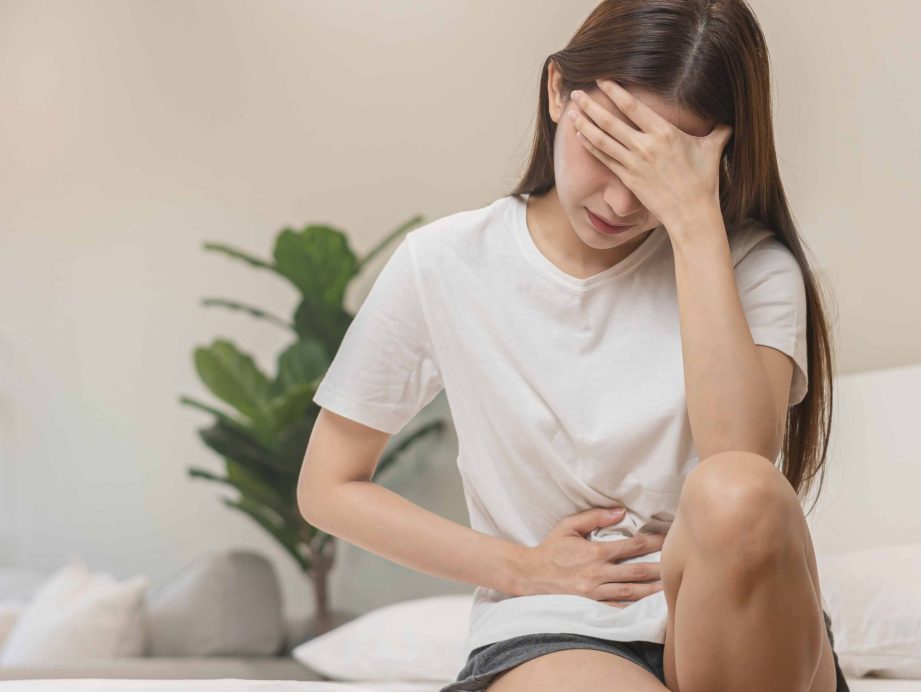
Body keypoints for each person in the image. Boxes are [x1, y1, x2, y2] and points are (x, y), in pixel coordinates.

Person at [299, 1, 849, 690]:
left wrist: (692, 223)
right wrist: (518, 566)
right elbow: (327, 487)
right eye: (606, 148)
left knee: (737, 490)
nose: (620, 202)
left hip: (746, 630)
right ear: (559, 91)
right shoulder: (443, 262)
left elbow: (738, 463)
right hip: (555, 630)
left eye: (655, 166)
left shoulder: (751, 267)